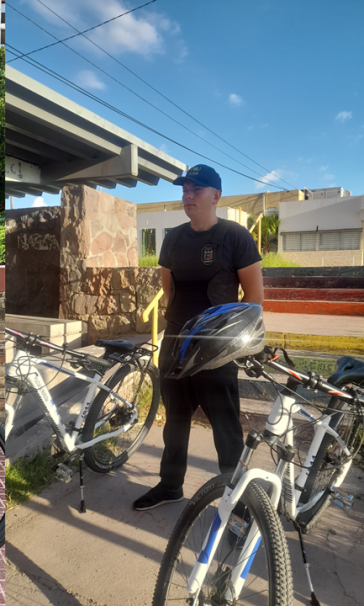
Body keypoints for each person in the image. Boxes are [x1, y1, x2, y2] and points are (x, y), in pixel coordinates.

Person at [133, 164, 264, 510]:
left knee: (225, 426)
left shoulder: (235, 237)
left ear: (215, 195)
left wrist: (233, 340)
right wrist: (176, 328)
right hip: (176, 343)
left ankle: (237, 502)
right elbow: (168, 287)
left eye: (196, 190)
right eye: (184, 190)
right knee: (175, 419)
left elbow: (253, 300)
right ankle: (170, 485)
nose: (187, 196)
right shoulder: (173, 238)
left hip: (216, 350)